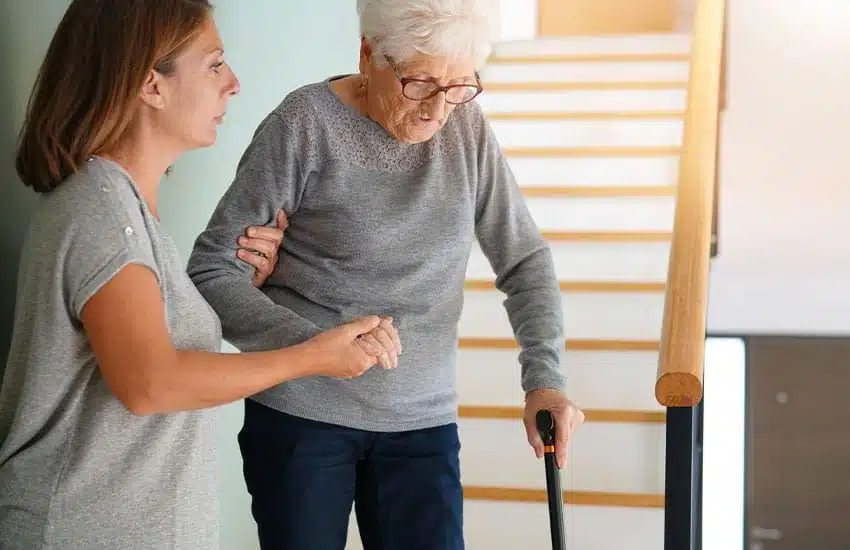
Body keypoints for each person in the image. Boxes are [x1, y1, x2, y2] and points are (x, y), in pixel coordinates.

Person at [186, 0, 586, 548]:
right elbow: (212, 271)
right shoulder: (304, 125)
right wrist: (315, 346)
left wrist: (545, 380)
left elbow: (524, 260)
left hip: (423, 423)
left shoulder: (465, 129)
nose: (437, 111)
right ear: (368, 54)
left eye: (459, 86)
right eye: (419, 83)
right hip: (303, 417)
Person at [0, 1, 400, 549]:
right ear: (151, 86)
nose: (233, 83)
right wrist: (312, 359)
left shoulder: (122, 211)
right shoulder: (101, 211)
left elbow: (140, 345)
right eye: (214, 65)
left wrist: (239, 289)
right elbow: (151, 383)